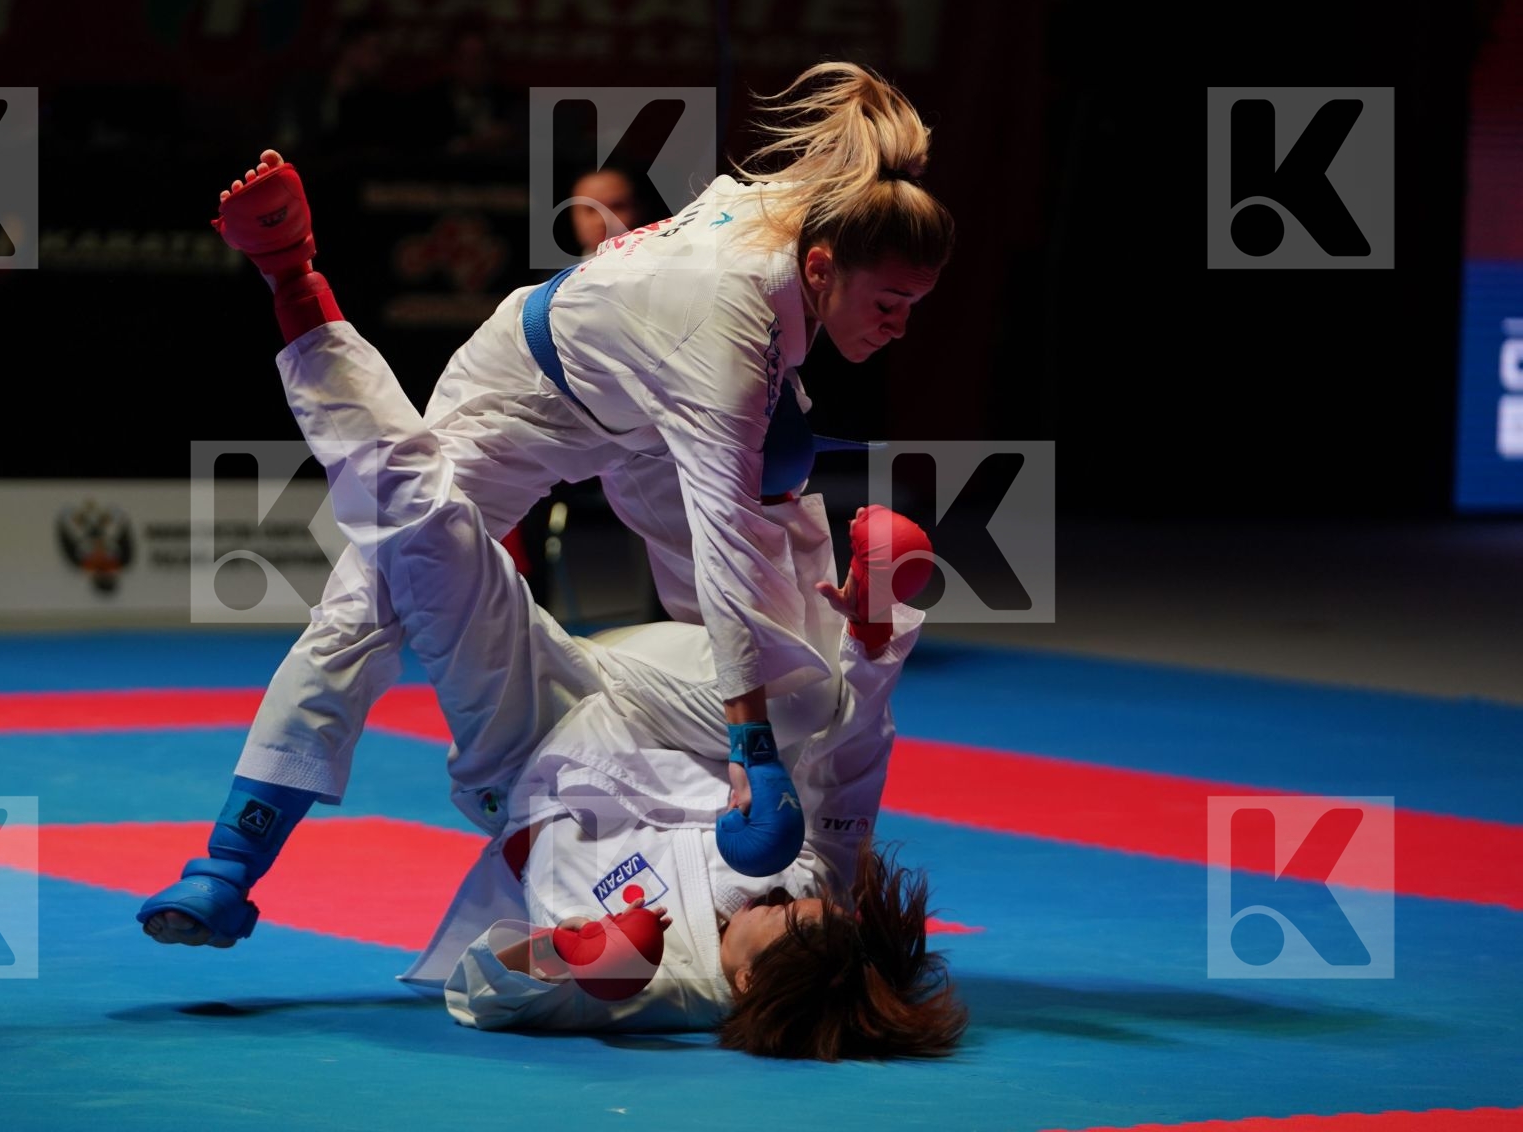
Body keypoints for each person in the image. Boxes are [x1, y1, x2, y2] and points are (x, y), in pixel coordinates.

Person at [138, 237, 965, 1059]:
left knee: (422, 529)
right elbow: (854, 756)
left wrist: (577, 960)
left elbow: (483, 983)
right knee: (816, 703)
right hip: (675, 712)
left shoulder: (662, 988)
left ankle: (294, 283)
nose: (787, 892)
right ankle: (778, 491)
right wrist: (872, 634)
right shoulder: (820, 894)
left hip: (531, 750)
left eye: (778, 918)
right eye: (805, 902)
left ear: (743, 983)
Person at [209, 60, 955, 884]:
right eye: (889, 303)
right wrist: (752, 753)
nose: (899, 328)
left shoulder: (826, 213)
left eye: (915, 308)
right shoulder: (731, 338)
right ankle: (234, 854)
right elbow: (724, 544)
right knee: (382, 585)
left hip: (648, 414)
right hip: (531, 394)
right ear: (820, 269)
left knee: (800, 676)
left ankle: (852, 654)